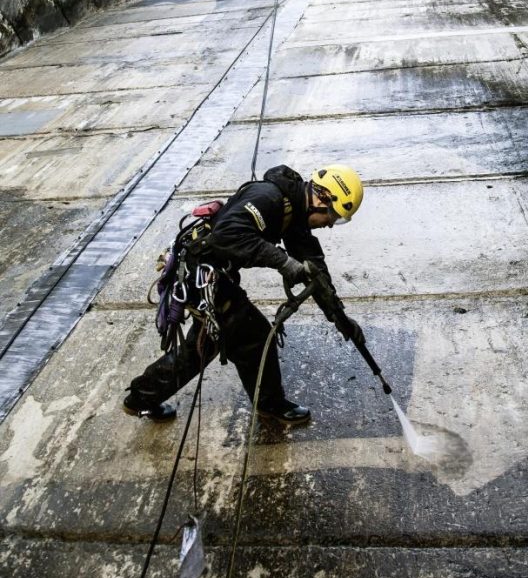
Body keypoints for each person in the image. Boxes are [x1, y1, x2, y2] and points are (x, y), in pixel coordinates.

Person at [123, 163, 365, 427]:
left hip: (213, 275)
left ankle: (141, 397)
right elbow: (226, 235)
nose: (330, 225)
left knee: (203, 347)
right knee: (255, 338)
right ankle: (270, 405)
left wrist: (338, 315)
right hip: (201, 275)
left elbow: (314, 268)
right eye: (333, 216)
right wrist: (284, 262)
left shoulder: (295, 211)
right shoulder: (267, 198)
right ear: (322, 198)